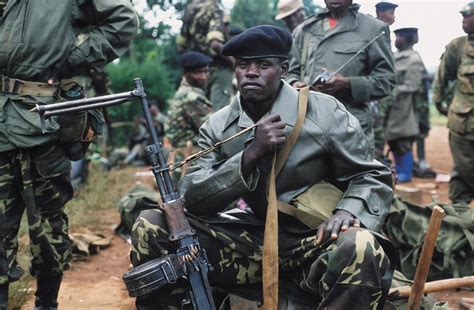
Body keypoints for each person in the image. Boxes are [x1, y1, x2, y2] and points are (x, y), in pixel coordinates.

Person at [131, 25, 394, 309]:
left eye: (263, 65)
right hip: (250, 243)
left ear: (284, 68)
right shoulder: (218, 126)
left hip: (313, 240)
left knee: (360, 244)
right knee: (152, 223)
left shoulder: (324, 112)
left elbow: (371, 175)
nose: (251, 72)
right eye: (243, 65)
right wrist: (249, 156)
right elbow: (190, 200)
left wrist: (346, 212)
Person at [0, 1, 137, 309]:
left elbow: (123, 20)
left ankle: (46, 304)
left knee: (48, 233)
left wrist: (72, 59)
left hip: (43, 124)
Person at [287, 0, 395, 155]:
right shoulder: (305, 30)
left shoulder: (373, 29)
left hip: (350, 127)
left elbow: (387, 81)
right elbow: (289, 73)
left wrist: (348, 84)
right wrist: (294, 84)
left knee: (354, 178)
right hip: (307, 126)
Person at [433, 2, 474, 204]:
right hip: (463, 123)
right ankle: (460, 222)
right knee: (462, 171)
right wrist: (439, 101)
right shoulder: (458, 46)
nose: (464, 21)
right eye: (463, 17)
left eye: (468, 16)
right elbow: (442, 77)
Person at [177, 0, 234, 110]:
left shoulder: (190, 9)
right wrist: (234, 63)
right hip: (220, 68)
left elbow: (181, 46)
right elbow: (215, 44)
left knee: (201, 111)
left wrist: (193, 67)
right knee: (221, 113)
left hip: (197, 73)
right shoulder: (214, 8)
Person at [385, 28, 425, 183]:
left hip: (404, 107)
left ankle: (406, 173)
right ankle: (399, 171)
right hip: (391, 107)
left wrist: (391, 90)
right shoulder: (394, 56)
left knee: (402, 139)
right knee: (393, 140)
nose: (396, 40)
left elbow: (412, 85)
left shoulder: (413, 59)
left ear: (407, 38)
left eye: (399, 36)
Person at [165, 52, 213, 149]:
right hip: (193, 155)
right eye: (198, 72)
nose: (204, 77)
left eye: (206, 71)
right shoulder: (191, 96)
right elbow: (214, 129)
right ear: (185, 73)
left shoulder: (183, 92)